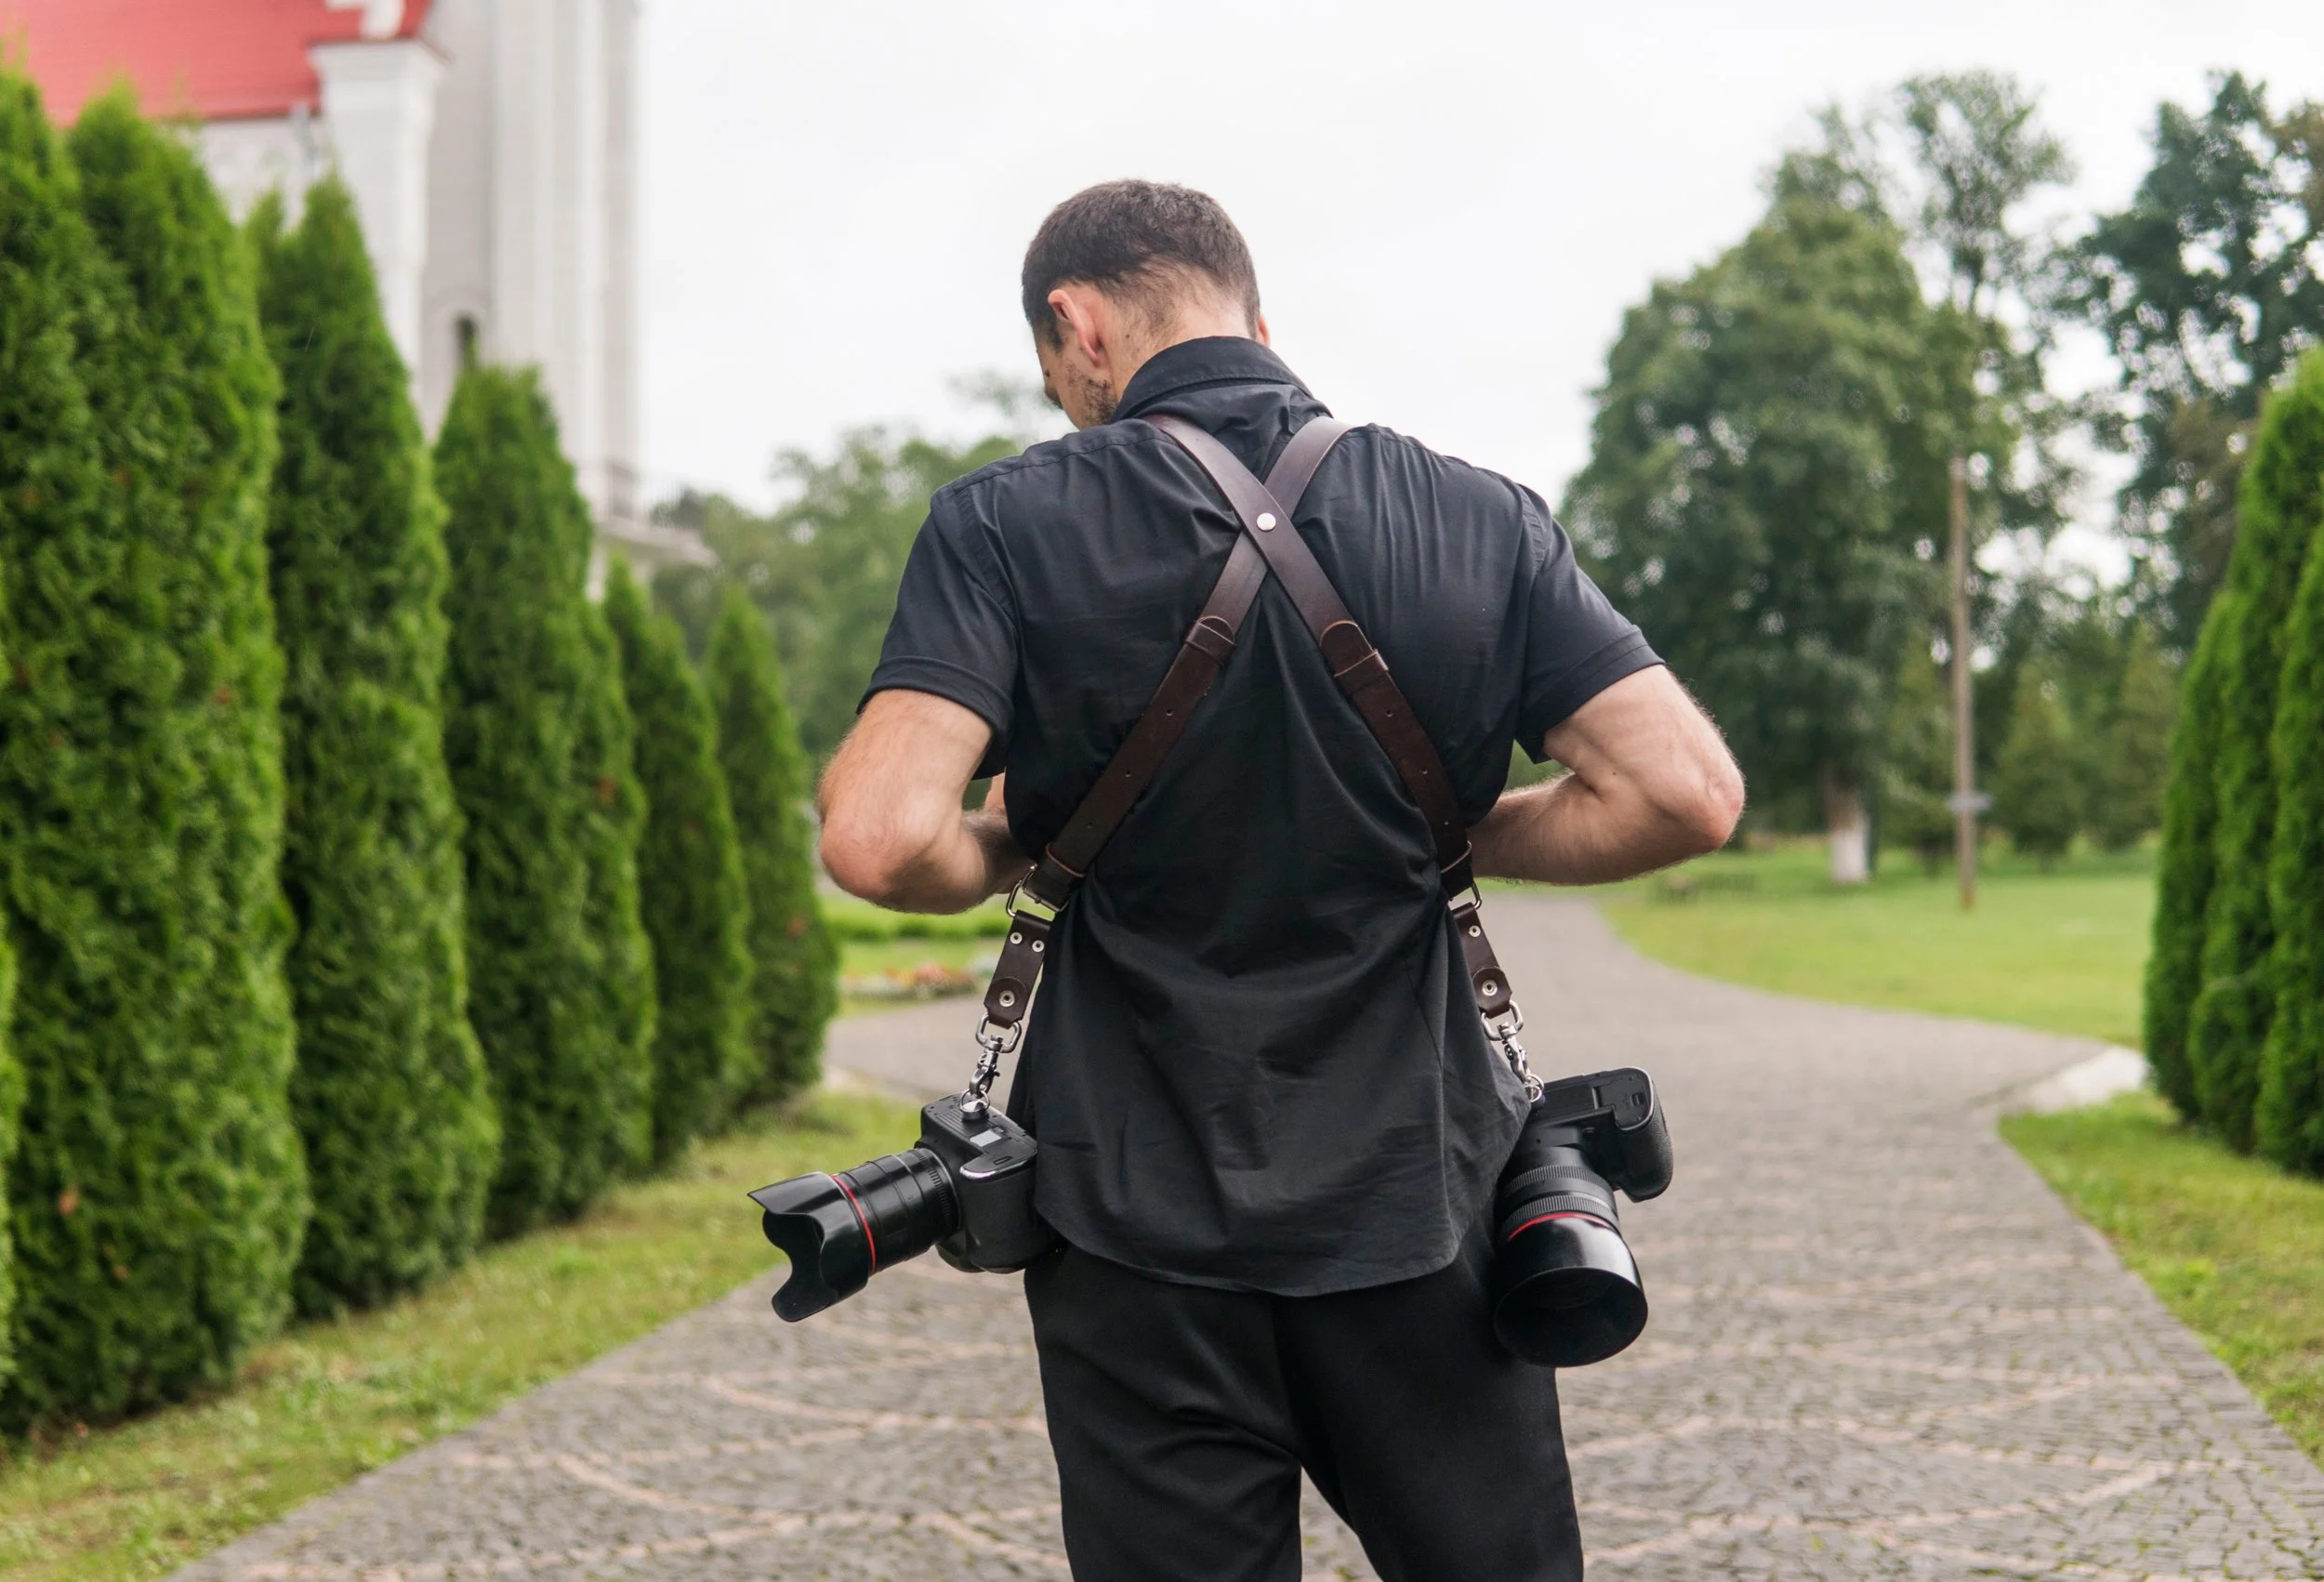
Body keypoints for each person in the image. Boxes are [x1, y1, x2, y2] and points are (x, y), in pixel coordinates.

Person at [817, 179, 1745, 1582]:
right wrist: (1445, 824)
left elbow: (881, 838)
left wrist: (1023, 844)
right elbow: (1683, 791)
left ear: (1077, 326)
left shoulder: (1003, 523)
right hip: (1423, 1202)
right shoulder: (1479, 515)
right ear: (1257, 318)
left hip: (1130, 1224)